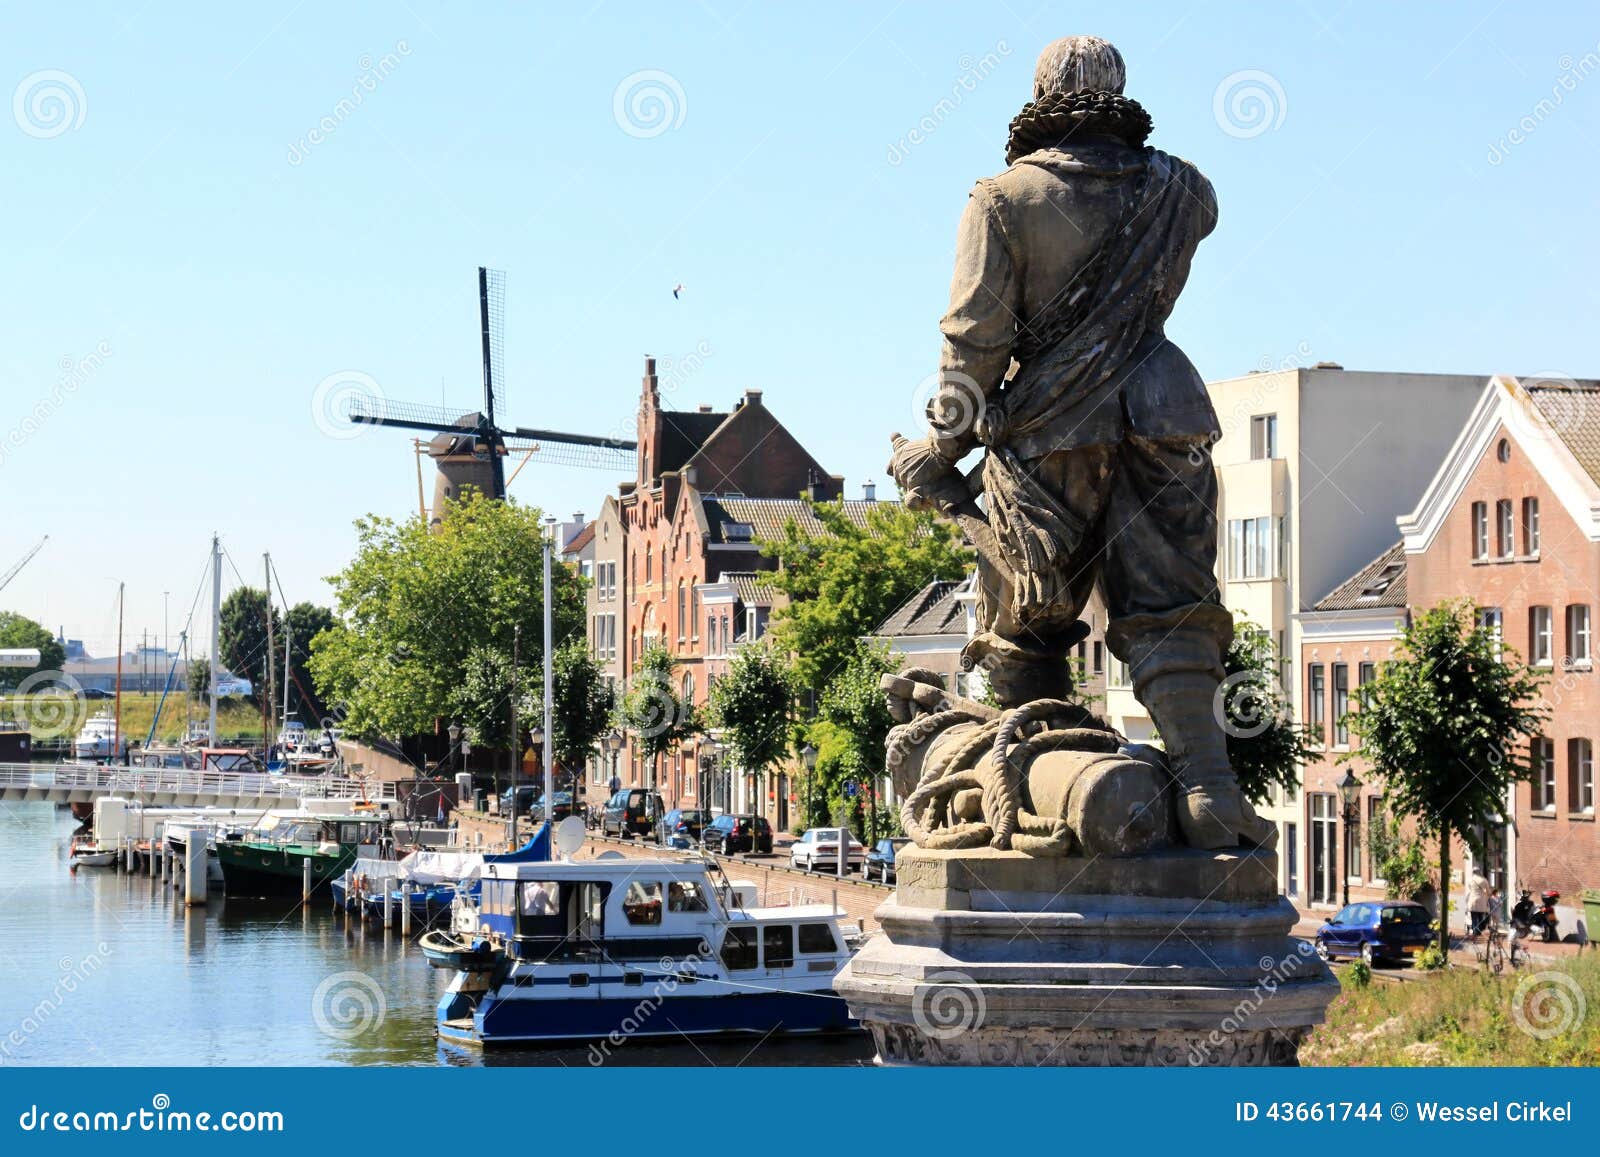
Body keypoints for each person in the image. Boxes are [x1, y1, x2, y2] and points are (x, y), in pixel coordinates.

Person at [888, 34, 1269, 849]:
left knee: (1029, 617)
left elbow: (976, 346)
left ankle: (1042, 777)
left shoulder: (1002, 201)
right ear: (1118, 93)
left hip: (1051, 426)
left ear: (1040, 94)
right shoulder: (1186, 192)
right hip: (1168, 409)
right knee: (1173, 606)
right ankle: (1208, 788)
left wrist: (939, 448)